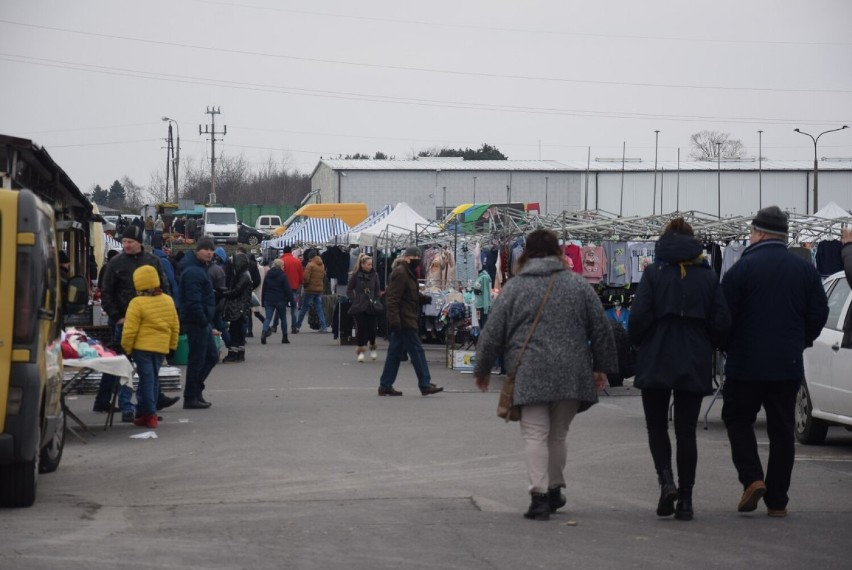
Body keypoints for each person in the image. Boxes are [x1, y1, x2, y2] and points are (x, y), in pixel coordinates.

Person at [473, 229, 617, 521]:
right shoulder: (579, 286)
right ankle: (554, 489)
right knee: (558, 434)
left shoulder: (514, 288)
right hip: (571, 371)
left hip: (529, 370)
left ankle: (538, 497)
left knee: (535, 434)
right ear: (559, 253)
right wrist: (601, 367)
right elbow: (601, 328)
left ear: (525, 254)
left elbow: (492, 333)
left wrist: (483, 369)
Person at [721, 206, 828, 517]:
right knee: (782, 429)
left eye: (752, 232)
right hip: (787, 363)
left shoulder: (740, 270)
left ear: (760, 234)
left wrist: (728, 346)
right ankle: (778, 500)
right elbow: (818, 313)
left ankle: (752, 478)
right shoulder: (805, 270)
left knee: (738, 419)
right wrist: (800, 341)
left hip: (745, 363)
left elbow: (723, 317)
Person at [628, 218, 731, 521]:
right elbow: (722, 322)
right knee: (687, 432)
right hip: (693, 358)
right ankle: (685, 499)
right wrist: (707, 342)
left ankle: (666, 482)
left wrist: (640, 341)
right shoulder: (708, 276)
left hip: (657, 355)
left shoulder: (653, 272)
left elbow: (638, 318)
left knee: (657, 426)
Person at [98, 225, 180, 421]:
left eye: (130, 242)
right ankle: (127, 408)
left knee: (149, 371)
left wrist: (164, 312)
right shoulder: (115, 263)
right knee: (124, 368)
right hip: (123, 322)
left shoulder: (152, 261)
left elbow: (164, 287)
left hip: (150, 324)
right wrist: (117, 316)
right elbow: (106, 293)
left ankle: (146, 407)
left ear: (139, 243)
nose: (125, 245)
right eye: (124, 241)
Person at [378, 247, 443, 397]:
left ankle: (385, 385)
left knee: (394, 353)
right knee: (417, 352)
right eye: (416, 257)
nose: (418, 260)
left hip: (403, 319)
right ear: (408, 258)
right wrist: (394, 321)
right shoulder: (401, 272)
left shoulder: (407, 272)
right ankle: (425, 383)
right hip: (404, 320)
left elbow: (408, 294)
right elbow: (392, 299)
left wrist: (423, 298)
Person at [121, 266, 180, 428]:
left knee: (147, 380)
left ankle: (150, 415)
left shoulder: (136, 303)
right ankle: (148, 411)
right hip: (161, 347)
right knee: (153, 379)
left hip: (142, 348)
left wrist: (126, 348)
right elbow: (175, 326)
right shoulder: (168, 300)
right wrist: (172, 347)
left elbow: (129, 330)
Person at [178, 237, 219, 409]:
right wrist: (204, 321)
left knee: (210, 356)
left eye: (211, 249)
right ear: (197, 251)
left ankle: (195, 391)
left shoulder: (200, 268)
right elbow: (193, 301)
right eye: (205, 249)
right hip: (197, 322)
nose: (209, 252)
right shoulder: (194, 271)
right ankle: (191, 396)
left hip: (202, 321)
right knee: (198, 359)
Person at [346, 253, 381, 362]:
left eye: (371, 264)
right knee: (361, 329)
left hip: (371, 305)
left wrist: (376, 300)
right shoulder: (356, 275)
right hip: (359, 306)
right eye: (369, 264)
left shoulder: (375, 275)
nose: (371, 266)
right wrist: (354, 299)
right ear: (362, 264)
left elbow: (377, 290)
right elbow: (349, 289)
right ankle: (360, 350)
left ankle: (373, 346)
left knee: (372, 329)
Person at [220, 252, 254, 363]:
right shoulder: (245, 274)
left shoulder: (243, 276)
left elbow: (236, 291)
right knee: (238, 333)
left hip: (238, 307)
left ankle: (233, 354)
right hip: (242, 307)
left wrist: (223, 293)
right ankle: (239, 353)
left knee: (234, 332)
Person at [260, 259, 295, 345]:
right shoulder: (283, 275)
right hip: (280, 300)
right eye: (283, 266)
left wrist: (263, 300)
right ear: (280, 266)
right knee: (283, 318)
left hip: (268, 299)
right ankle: (284, 337)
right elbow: (288, 290)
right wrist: (292, 301)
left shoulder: (268, 275)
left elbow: (264, 288)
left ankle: (264, 334)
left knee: (268, 318)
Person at [294, 251, 328, 333]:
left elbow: (306, 278)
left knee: (303, 309)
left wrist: (305, 286)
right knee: (319, 308)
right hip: (319, 289)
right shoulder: (322, 265)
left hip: (310, 290)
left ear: (310, 257)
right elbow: (323, 277)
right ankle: (324, 326)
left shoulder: (310, 265)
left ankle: (298, 326)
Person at [280, 246, 304, 334]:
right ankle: (294, 326)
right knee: (294, 308)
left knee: (280, 306)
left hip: (283, 288)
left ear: (283, 251)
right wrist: (300, 283)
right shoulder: (297, 261)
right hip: (294, 287)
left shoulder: (281, 261)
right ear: (291, 252)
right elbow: (301, 275)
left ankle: (275, 325)